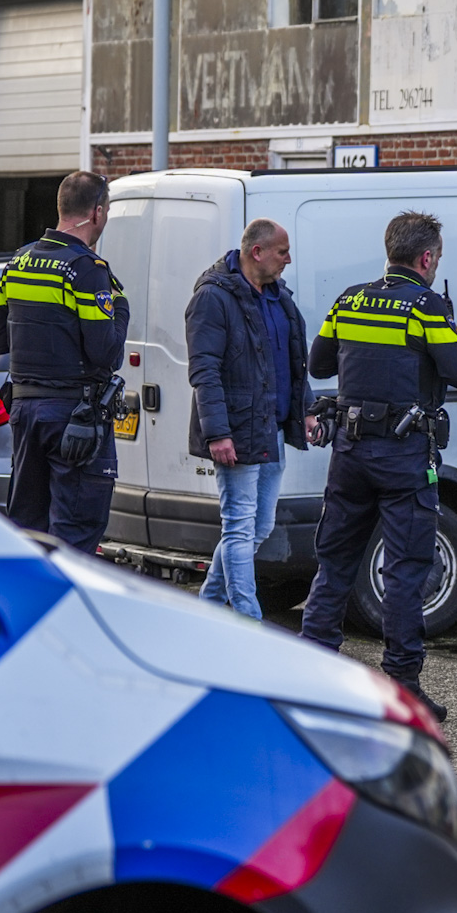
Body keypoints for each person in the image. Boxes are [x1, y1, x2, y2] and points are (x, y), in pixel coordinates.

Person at [299, 211, 457, 721]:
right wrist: (442, 328)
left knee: (334, 564)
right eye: (437, 258)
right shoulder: (426, 305)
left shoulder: (350, 299)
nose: (436, 265)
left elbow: (319, 365)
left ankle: (310, 679)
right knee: (404, 571)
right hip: (402, 458)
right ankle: (401, 685)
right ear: (425, 258)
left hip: (350, 453)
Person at [186, 217, 319, 619]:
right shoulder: (213, 296)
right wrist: (217, 433)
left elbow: (293, 364)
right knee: (240, 528)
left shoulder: (279, 297)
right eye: (282, 252)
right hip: (237, 432)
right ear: (256, 252)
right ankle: (248, 620)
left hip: (271, 430)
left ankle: (206, 610)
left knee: (258, 528)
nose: (289, 259)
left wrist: (307, 410)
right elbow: (204, 370)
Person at [0, 170, 128, 554]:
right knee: (75, 534)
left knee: (29, 530)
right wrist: (121, 307)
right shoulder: (87, 270)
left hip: (25, 413)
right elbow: (106, 353)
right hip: (74, 418)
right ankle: (70, 611)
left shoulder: (17, 262)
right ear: (97, 213)